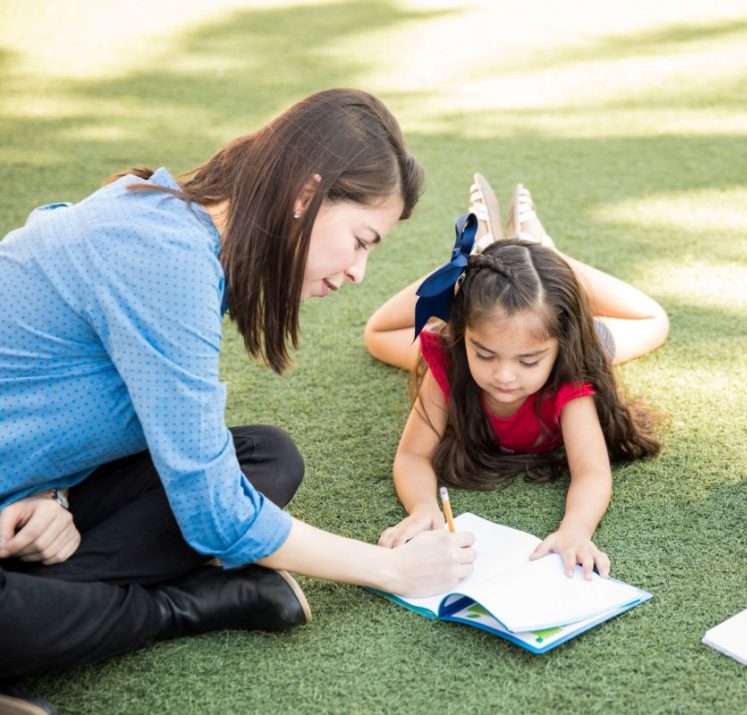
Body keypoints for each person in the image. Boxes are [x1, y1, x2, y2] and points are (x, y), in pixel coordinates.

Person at [0, 89, 476, 689]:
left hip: (19, 500)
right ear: (306, 195)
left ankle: (44, 608)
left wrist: (54, 496)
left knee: (266, 459)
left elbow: (49, 393)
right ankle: (180, 607)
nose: (358, 272)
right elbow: (216, 514)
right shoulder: (165, 256)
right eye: (361, 240)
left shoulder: (177, 232)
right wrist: (390, 569)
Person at [364, 175, 668, 578]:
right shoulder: (452, 361)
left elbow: (592, 472)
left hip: (575, 334)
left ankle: (545, 253)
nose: (504, 376)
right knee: (375, 335)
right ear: (464, 338)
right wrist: (423, 508)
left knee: (654, 321)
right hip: (484, 310)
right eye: (485, 354)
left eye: (527, 362)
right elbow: (412, 455)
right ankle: (486, 256)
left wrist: (574, 530)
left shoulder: (570, 375)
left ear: (557, 350)